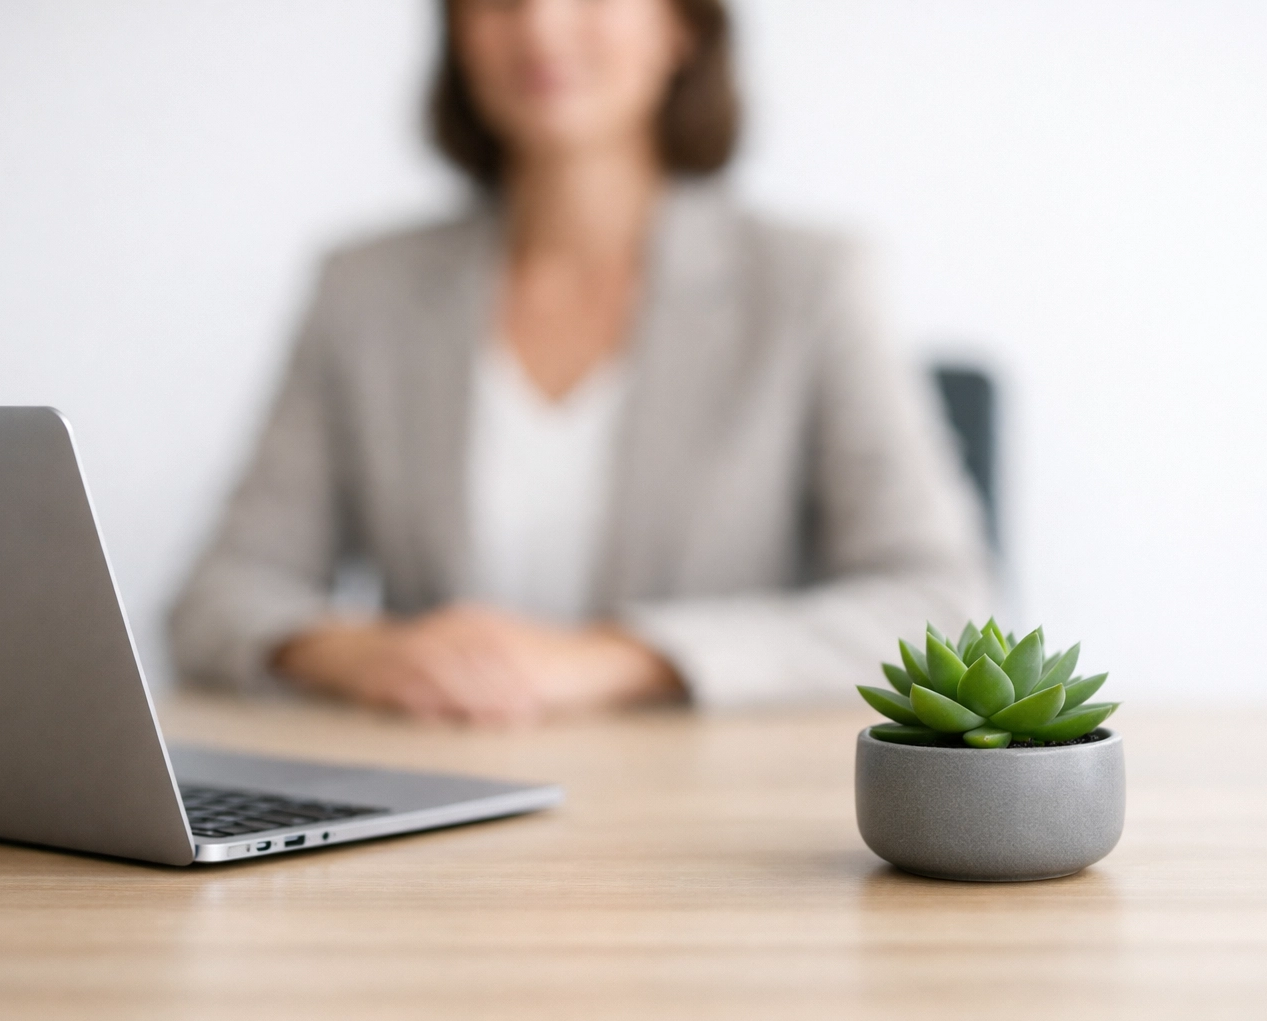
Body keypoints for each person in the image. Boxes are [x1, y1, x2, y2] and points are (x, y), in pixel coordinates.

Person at [169, 0, 990, 725]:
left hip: (705, 831)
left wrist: (612, 659)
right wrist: (363, 654)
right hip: (434, 814)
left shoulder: (811, 284)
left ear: (680, 25)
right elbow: (219, 598)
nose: (540, 24)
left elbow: (941, 611)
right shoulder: (363, 290)